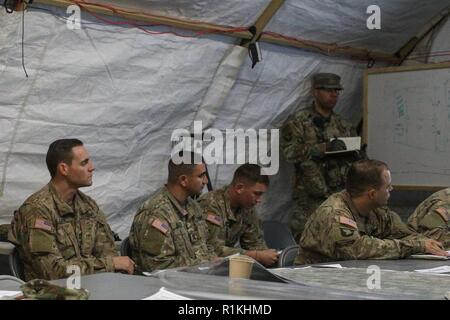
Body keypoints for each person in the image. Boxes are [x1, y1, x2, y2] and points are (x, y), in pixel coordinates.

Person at [8, 139, 134, 281]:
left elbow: (110, 254)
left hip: (94, 288)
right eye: (84, 163)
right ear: (63, 169)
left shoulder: (88, 206)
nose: (92, 167)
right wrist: (109, 264)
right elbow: (51, 272)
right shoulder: (37, 210)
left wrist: (111, 264)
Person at [295, 159, 448, 265]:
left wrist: (426, 243)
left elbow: (404, 233)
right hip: (312, 283)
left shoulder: (377, 211)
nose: (391, 190)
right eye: (387, 187)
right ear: (372, 194)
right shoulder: (334, 214)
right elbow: (359, 249)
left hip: (352, 276)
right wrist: (416, 246)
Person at [280, 72, 363, 242]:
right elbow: (289, 153)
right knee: (307, 241)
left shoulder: (344, 125)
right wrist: (322, 149)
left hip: (340, 195)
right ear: (315, 91)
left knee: (339, 241)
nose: (333, 95)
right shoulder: (298, 122)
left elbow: (356, 159)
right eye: (328, 90)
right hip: (311, 196)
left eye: (337, 91)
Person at [129, 152, 216, 273]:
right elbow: (157, 267)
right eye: (201, 176)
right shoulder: (156, 213)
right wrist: (203, 263)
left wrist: (214, 261)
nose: (206, 181)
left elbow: (204, 246)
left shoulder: (192, 206)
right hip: (161, 286)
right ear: (184, 180)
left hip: (194, 278)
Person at [199, 164, 279, 267]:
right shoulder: (211, 204)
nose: (259, 200)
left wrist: (268, 255)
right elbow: (214, 249)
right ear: (239, 188)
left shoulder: (247, 208)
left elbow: (255, 243)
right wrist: (256, 256)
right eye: (256, 193)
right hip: (207, 267)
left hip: (228, 266)